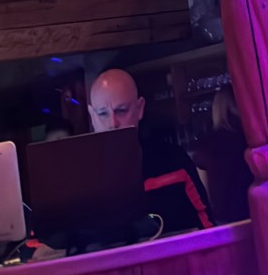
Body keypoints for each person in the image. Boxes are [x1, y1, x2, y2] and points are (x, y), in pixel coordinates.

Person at [88, 69, 211, 234]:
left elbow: (207, 226)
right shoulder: (79, 177)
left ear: (139, 108)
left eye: (121, 110)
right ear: (92, 116)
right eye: (102, 113)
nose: (113, 123)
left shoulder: (173, 160)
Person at [192, 86, 252, 225]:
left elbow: (204, 193)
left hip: (224, 218)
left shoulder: (206, 145)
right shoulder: (250, 139)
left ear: (216, 109)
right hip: (255, 210)